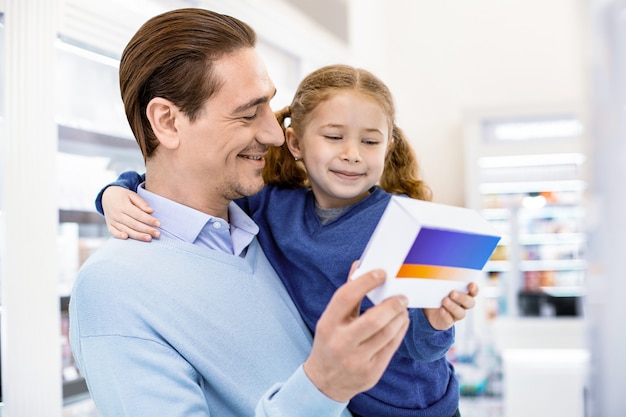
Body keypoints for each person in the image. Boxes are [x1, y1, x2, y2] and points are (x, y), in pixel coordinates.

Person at [69, 9, 413, 417]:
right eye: (249, 114)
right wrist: (323, 386)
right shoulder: (113, 288)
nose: (273, 134)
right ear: (167, 121)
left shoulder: (264, 228)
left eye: (269, 106)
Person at [97, 64, 479, 417]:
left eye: (370, 142)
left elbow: (424, 347)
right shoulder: (272, 205)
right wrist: (116, 192)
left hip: (418, 406)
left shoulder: (408, 222)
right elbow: (181, 189)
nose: (351, 154)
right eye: (333, 137)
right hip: (336, 402)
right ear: (294, 143)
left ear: (388, 147)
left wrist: (435, 321)